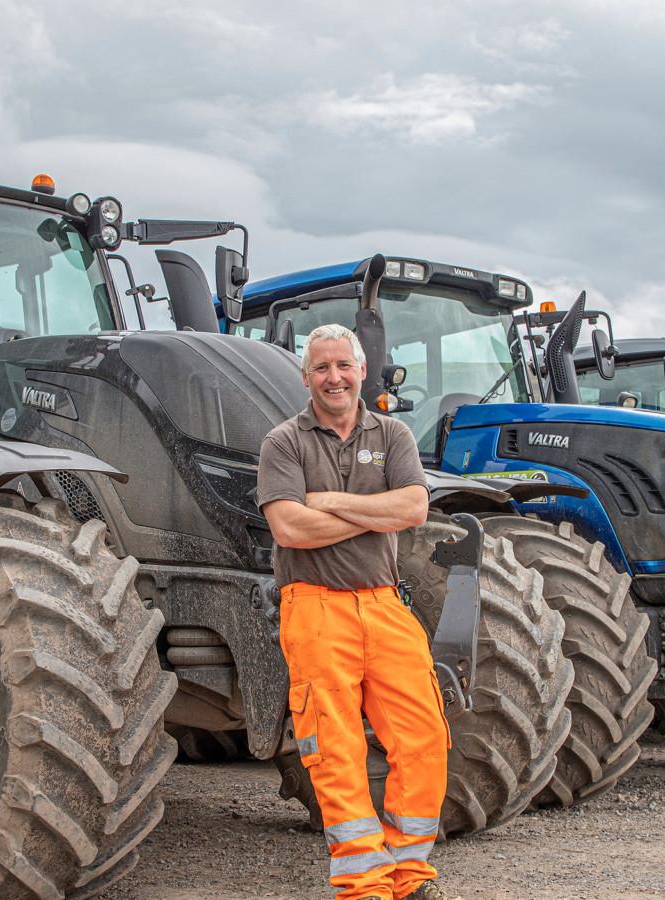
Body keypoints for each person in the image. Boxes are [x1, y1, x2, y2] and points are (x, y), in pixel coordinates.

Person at [257, 323, 453, 900]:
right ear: (306, 376)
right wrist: (376, 511)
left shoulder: (392, 435)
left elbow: (415, 507)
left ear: (362, 370)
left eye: (343, 365)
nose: (334, 377)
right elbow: (289, 527)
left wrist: (335, 504)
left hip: (385, 603)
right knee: (334, 749)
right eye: (321, 367)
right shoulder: (283, 443)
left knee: (422, 736)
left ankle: (408, 876)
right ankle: (363, 884)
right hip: (314, 607)